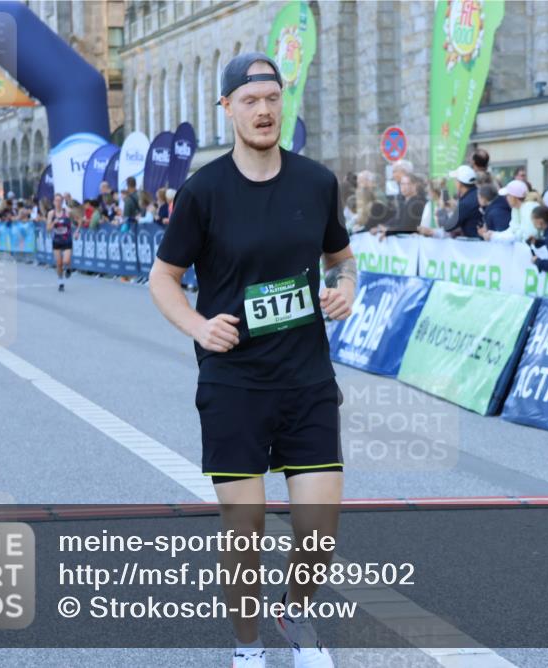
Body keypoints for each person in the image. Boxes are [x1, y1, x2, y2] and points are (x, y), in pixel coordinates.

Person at [148, 52, 356, 668]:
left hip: (308, 378)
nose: (263, 110)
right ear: (227, 109)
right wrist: (197, 324)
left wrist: (345, 286)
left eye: (271, 98)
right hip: (235, 381)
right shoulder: (202, 192)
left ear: (281, 102)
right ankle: (247, 648)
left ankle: (295, 615)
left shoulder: (316, 182)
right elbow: (163, 278)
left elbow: (342, 258)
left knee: (319, 532)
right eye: (249, 100)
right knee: (244, 536)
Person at [376, 173, 425, 237]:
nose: (402, 187)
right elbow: (396, 219)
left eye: (405, 184)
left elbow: (406, 228)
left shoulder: (416, 203)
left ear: (414, 185)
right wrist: (383, 226)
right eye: (401, 184)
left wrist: (388, 231)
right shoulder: (405, 202)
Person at [443, 164, 481, 238]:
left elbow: (448, 227)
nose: (454, 183)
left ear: (459, 183)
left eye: (455, 180)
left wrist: (445, 210)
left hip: (475, 244)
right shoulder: (478, 193)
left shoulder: (466, 203)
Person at [46, 194, 74, 291]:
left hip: (67, 240)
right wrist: (54, 223)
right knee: (59, 264)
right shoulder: (51, 213)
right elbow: (48, 229)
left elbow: (78, 221)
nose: (58, 203)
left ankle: (69, 268)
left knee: (66, 261)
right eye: (56, 201)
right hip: (56, 241)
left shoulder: (67, 212)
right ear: (53, 202)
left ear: (62, 202)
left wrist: (77, 231)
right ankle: (60, 281)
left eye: (60, 201)